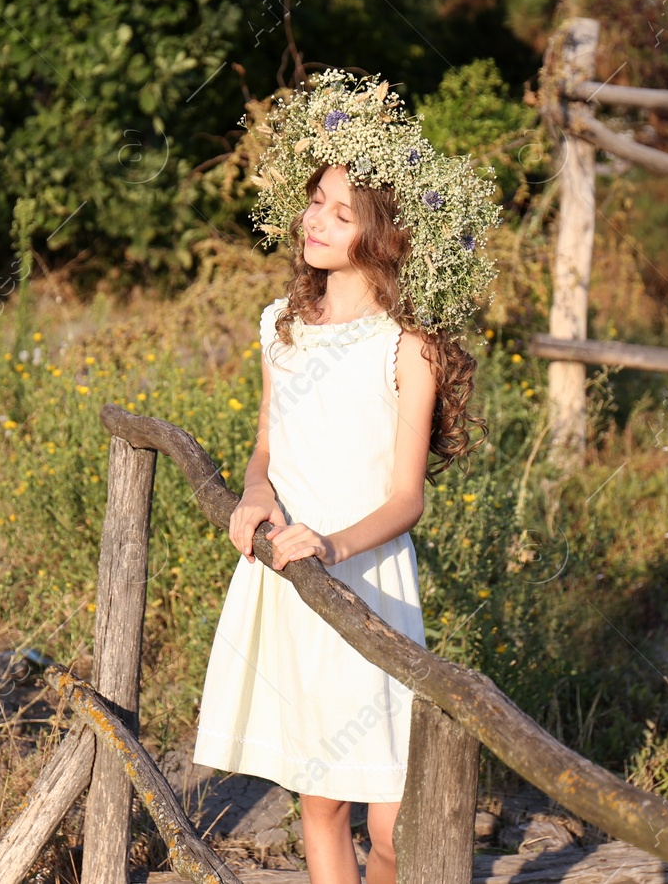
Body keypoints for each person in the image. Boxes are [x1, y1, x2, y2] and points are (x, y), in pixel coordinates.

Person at [191, 69, 502, 883]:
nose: (315, 221)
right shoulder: (281, 325)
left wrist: (333, 541)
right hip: (293, 567)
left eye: (341, 211)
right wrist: (257, 495)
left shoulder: (408, 346)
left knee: (394, 812)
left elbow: (407, 496)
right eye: (314, 201)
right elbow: (265, 444)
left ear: (385, 233)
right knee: (322, 800)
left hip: (365, 570)